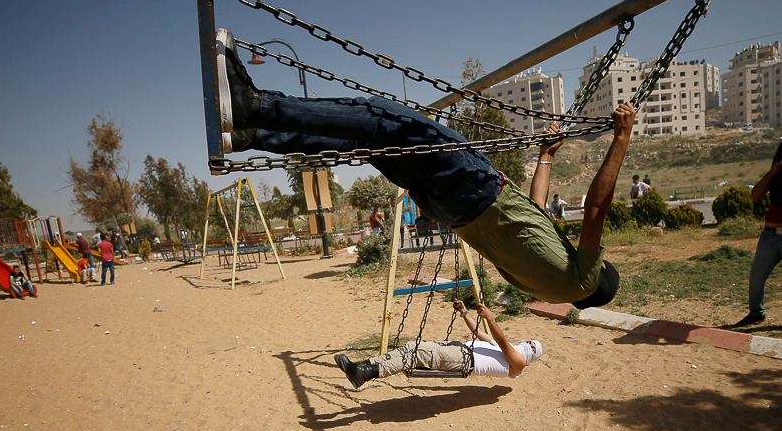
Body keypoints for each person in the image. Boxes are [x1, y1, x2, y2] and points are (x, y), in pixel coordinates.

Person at [216, 28, 632, 308]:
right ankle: (251, 137)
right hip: (452, 211)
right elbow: (536, 212)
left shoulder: (583, 276)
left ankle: (256, 107)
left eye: (599, 260)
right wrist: (547, 155)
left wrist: (621, 140)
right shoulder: (546, 285)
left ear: (599, 274)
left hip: (477, 188)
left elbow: (596, 208)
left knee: (383, 119)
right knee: (369, 141)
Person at [334, 300, 543, 388]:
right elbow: (478, 332)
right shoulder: (504, 350)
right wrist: (464, 312)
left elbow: (502, 341)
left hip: (464, 360)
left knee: (414, 354)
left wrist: (491, 318)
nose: (530, 346)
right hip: (459, 349)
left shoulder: (519, 364)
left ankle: (363, 372)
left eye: (534, 349)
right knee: (410, 348)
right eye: (532, 343)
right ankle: (362, 368)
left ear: (532, 357)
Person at [732, 142, 782, 327]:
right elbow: (755, 195)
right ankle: (756, 313)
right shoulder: (775, 178)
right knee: (756, 279)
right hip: (770, 235)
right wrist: (771, 173)